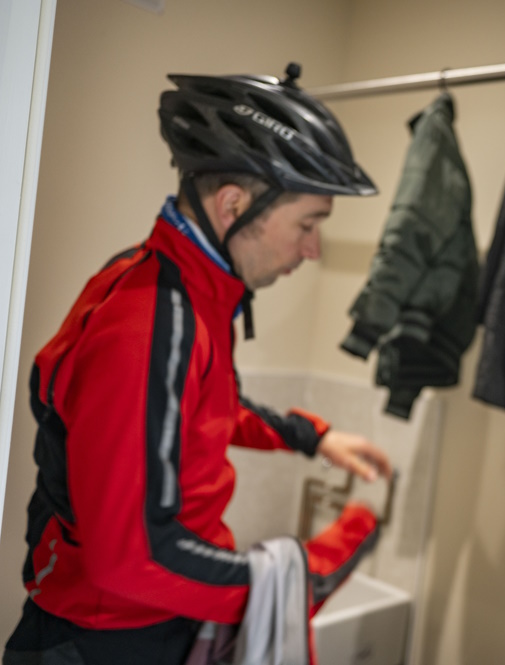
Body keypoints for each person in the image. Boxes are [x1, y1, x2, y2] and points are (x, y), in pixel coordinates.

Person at [3, 63, 392, 664]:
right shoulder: (152, 320)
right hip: (108, 640)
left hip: (151, 625)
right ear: (234, 204)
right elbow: (133, 557)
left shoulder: (187, 290)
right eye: (308, 225)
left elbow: (207, 408)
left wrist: (313, 438)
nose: (312, 250)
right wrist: (297, 578)